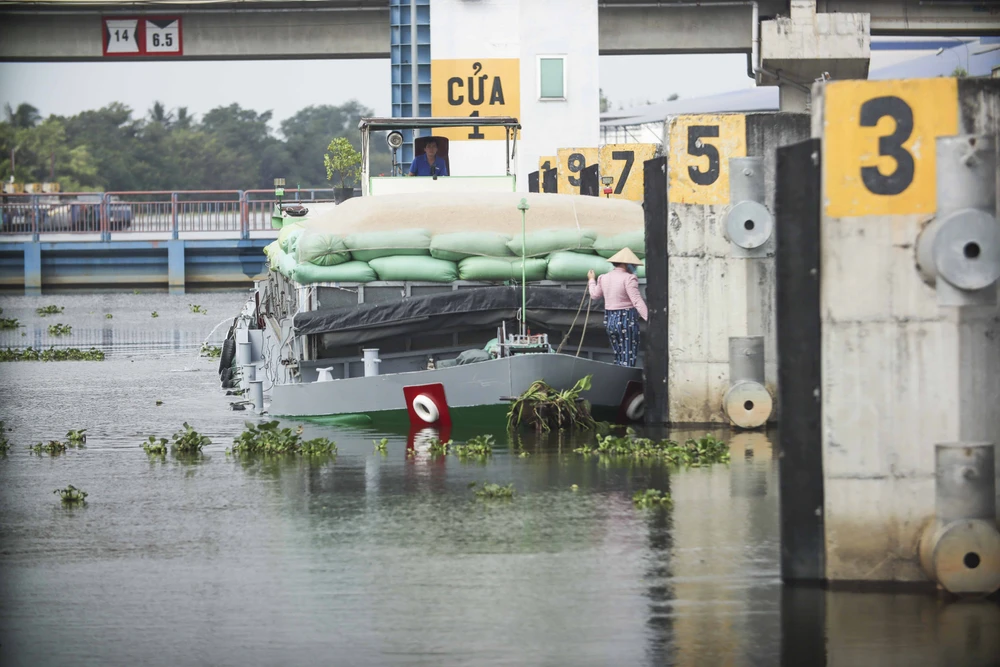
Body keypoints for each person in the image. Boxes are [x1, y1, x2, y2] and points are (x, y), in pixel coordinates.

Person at [587, 248, 648, 367]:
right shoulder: (629, 278)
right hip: (626, 320)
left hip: (610, 320)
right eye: (634, 265)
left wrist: (591, 280)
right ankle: (627, 380)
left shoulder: (603, 278)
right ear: (626, 264)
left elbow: (594, 295)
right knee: (628, 356)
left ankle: (619, 379)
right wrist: (649, 319)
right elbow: (636, 301)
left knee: (618, 355)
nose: (634, 267)